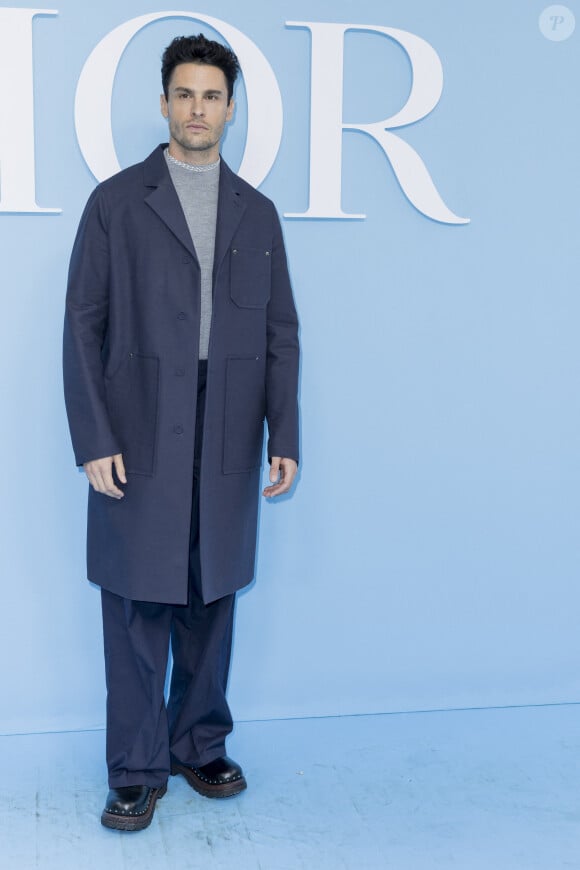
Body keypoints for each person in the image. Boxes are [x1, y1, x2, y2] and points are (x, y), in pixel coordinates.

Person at [63, 33, 300, 832]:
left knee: (213, 594)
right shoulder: (116, 203)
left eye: (213, 96)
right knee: (137, 602)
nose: (199, 109)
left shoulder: (257, 213)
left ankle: (198, 744)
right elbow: (82, 326)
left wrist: (284, 432)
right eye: (185, 94)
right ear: (163, 103)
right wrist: (95, 436)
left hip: (227, 426)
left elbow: (279, 334)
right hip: (137, 424)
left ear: (231, 108)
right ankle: (135, 768)